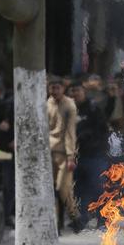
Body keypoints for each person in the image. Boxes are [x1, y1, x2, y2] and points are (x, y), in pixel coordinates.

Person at [71, 81, 110, 231]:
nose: (75, 94)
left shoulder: (93, 109)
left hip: (95, 155)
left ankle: (102, 220)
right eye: (72, 92)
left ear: (84, 92)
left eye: (77, 91)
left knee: (98, 188)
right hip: (76, 156)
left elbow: (102, 131)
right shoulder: (69, 109)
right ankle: (82, 220)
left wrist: (88, 138)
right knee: (79, 190)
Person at [48, 77, 78, 231]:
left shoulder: (69, 105)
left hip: (64, 153)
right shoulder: (48, 103)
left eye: (57, 88)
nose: (54, 91)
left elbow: (70, 132)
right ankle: (57, 224)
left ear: (63, 89)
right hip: (49, 152)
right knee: (53, 190)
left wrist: (70, 156)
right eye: (52, 88)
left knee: (62, 188)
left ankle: (74, 217)